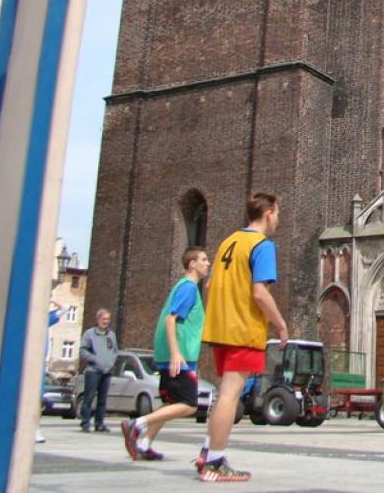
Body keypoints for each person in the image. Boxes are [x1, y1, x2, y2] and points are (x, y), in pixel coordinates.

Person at [196, 192, 288, 482]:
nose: (278, 218)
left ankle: (207, 450)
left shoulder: (229, 242)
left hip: (220, 328)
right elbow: (260, 293)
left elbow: (210, 284)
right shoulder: (262, 245)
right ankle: (214, 462)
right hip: (242, 329)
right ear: (269, 213)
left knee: (224, 392)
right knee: (229, 394)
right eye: (277, 212)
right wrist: (280, 323)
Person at [121, 246, 210, 461]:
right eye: (204, 260)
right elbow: (170, 319)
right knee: (189, 405)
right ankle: (137, 425)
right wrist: (176, 354)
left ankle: (144, 444)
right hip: (181, 356)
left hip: (172, 355)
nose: (208, 264)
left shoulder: (183, 287)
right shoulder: (188, 287)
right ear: (192, 264)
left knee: (169, 404)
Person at [78, 308, 118, 433]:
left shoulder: (111, 335)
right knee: (89, 397)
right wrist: (94, 359)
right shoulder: (89, 334)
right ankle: (85, 423)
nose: (106, 322)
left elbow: (115, 350)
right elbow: (83, 350)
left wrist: (111, 361)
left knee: (102, 399)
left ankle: (99, 423)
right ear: (98, 320)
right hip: (93, 371)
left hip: (107, 371)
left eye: (108, 319)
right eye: (103, 319)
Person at [36, 299, 68, 443]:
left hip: (39, 365)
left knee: (38, 400)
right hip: (28, 362)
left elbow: (65, 307)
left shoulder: (45, 318)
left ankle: (36, 428)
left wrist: (51, 299)